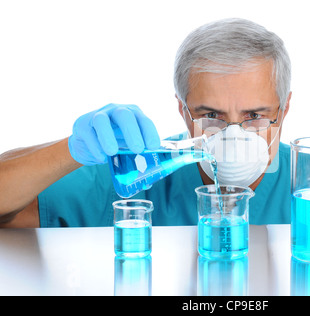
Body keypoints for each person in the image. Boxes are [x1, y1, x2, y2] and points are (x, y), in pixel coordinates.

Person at [0, 18, 293, 228]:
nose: (233, 136)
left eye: (254, 116)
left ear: (285, 108)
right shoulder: (138, 174)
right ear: (183, 110)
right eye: (211, 116)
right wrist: (70, 151)